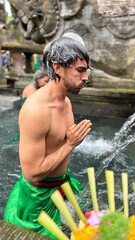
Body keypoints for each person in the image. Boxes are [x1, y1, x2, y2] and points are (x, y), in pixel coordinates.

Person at [4, 32, 92, 239]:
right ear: (58, 67)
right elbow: (32, 174)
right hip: (37, 203)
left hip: (59, 189)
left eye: (86, 71)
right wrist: (70, 144)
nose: (86, 78)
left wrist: (68, 143)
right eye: (80, 71)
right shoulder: (36, 110)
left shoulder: (67, 102)